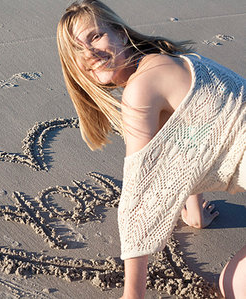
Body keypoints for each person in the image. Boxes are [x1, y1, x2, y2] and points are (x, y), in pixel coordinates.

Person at [56, 0, 245, 298]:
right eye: (78, 50)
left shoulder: (141, 87)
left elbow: (138, 195)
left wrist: (132, 294)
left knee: (233, 287)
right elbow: (193, 139)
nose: (90, 54)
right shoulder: (169, 60)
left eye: (95, 36)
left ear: (119, 33)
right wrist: (194, 213)